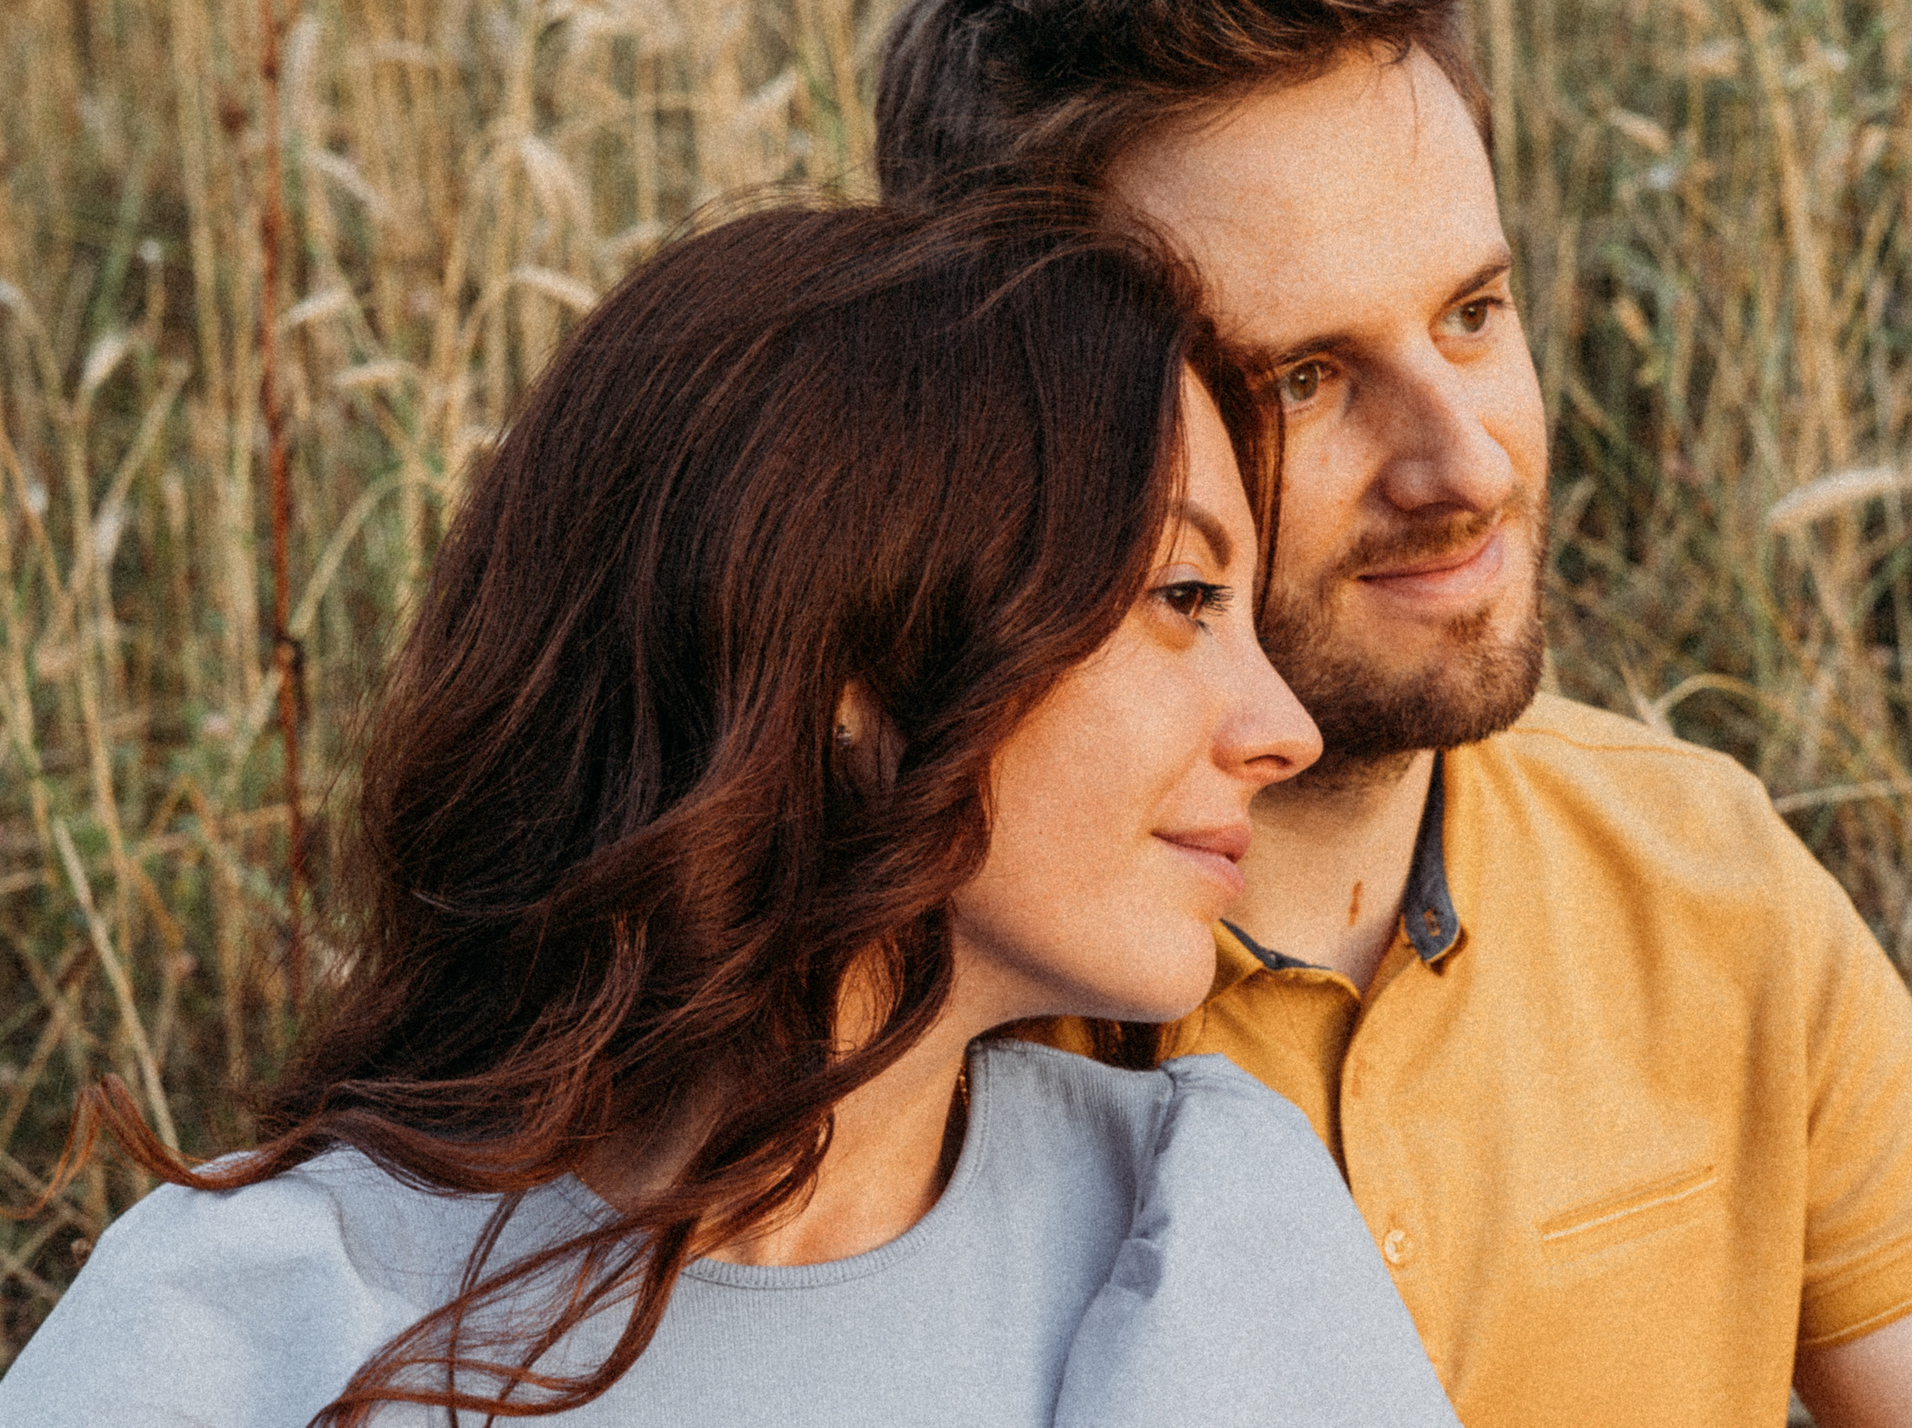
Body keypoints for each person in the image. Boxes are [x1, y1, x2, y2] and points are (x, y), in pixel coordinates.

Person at [873, 0, 1912, 1427]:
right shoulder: (891, 997)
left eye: (1473, 313)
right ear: (1023, 420)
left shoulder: (1702, 886)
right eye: (1303, 378)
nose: (1463, 466)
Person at [0, 195, 1463, 1427]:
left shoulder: (1203, 1227)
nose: (1283, 730)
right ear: (846, 657)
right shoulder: (251, 1324)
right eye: (1184, 596)